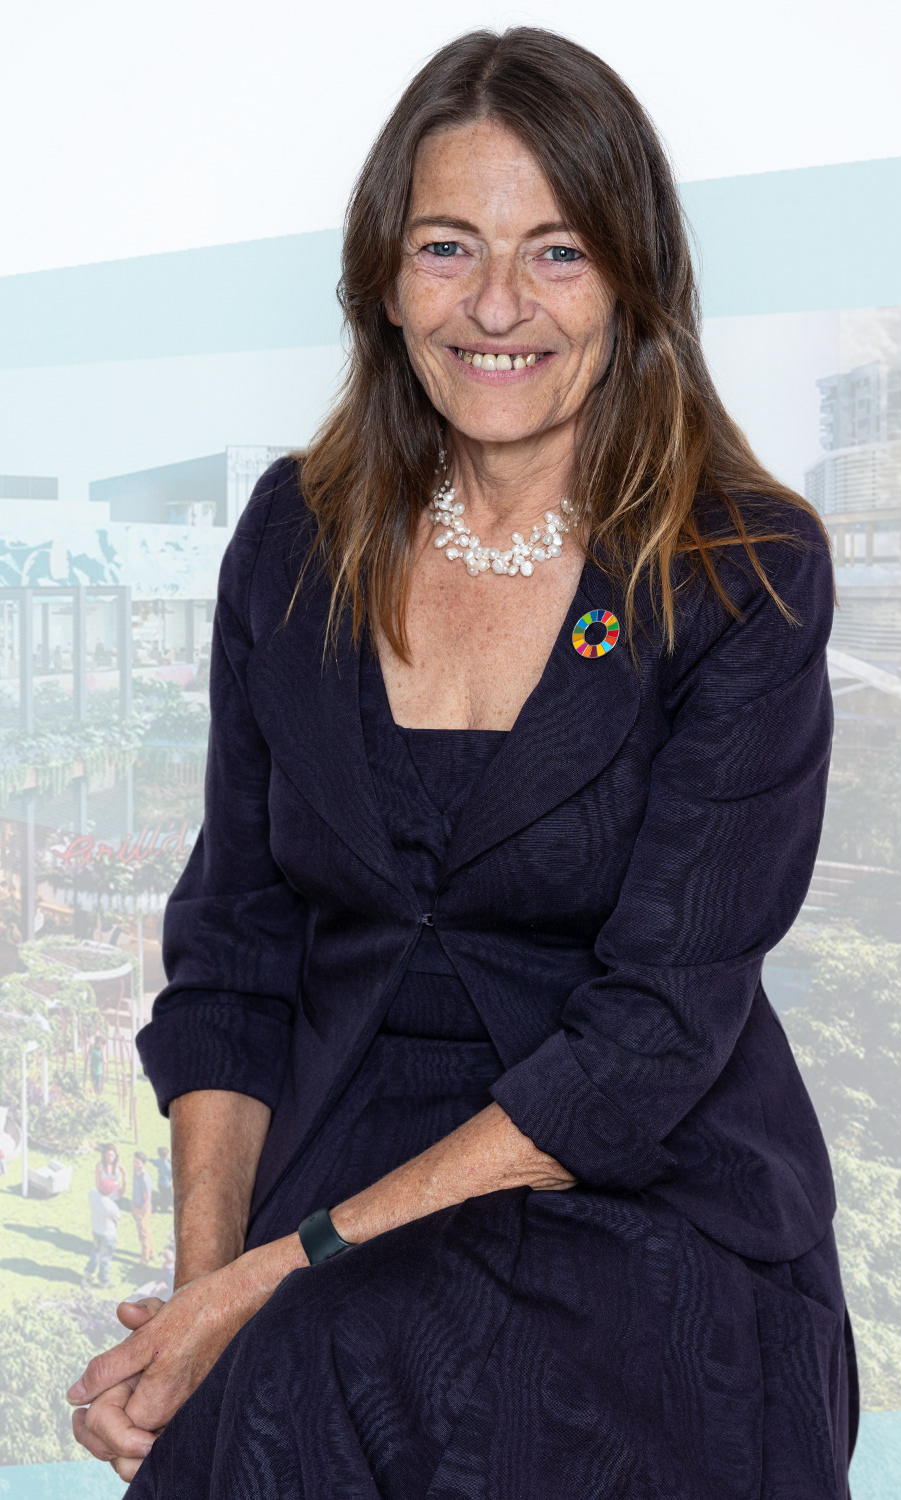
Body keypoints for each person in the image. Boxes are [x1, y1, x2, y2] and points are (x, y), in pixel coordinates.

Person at [68, 28, 857, 1497]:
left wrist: (267, 1288)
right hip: (333, 1190)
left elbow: (647, 1042)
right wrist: (197, 1306)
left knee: (343, 1359)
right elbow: (234, 955)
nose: (498, 306)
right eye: (448, 247)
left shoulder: (741, 570)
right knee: (275, 1387)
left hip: (639, 1205)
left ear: (632, 279)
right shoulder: (292, 540)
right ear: (383, 276)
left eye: (559, 252)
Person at [83, 1188, 121, 1287]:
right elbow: (118, 1218)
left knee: (95, 1252)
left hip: (96, 1231)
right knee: (105, 1258)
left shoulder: (92, 1194)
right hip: (108, 1235)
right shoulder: (111, 1205)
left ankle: (88, 1272)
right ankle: (104, 1281)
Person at [131, 1151, 155, 1265]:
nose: (135, 1164)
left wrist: (141, 1213)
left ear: (143, 1164)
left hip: (142, 1209)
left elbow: (147, 1200)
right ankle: (151, 1252)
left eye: (138, 1162)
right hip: (135, 1206)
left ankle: (144, 1260)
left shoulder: (145, 1179)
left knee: (143, 1235)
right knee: (145, 1231)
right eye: (134, 1161)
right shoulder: (135, 1172)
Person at [153, 1145, 173, 1214]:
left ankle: (158, 1204)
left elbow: (155, 1163)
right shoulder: (168, 1166)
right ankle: (161, 1207)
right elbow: (170, 1175)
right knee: (168, 1197)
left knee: (164, 1196)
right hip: (166, 1184)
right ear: (166, 1155)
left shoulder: (159, 1161)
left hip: (160, 1183)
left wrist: (159, 1169)